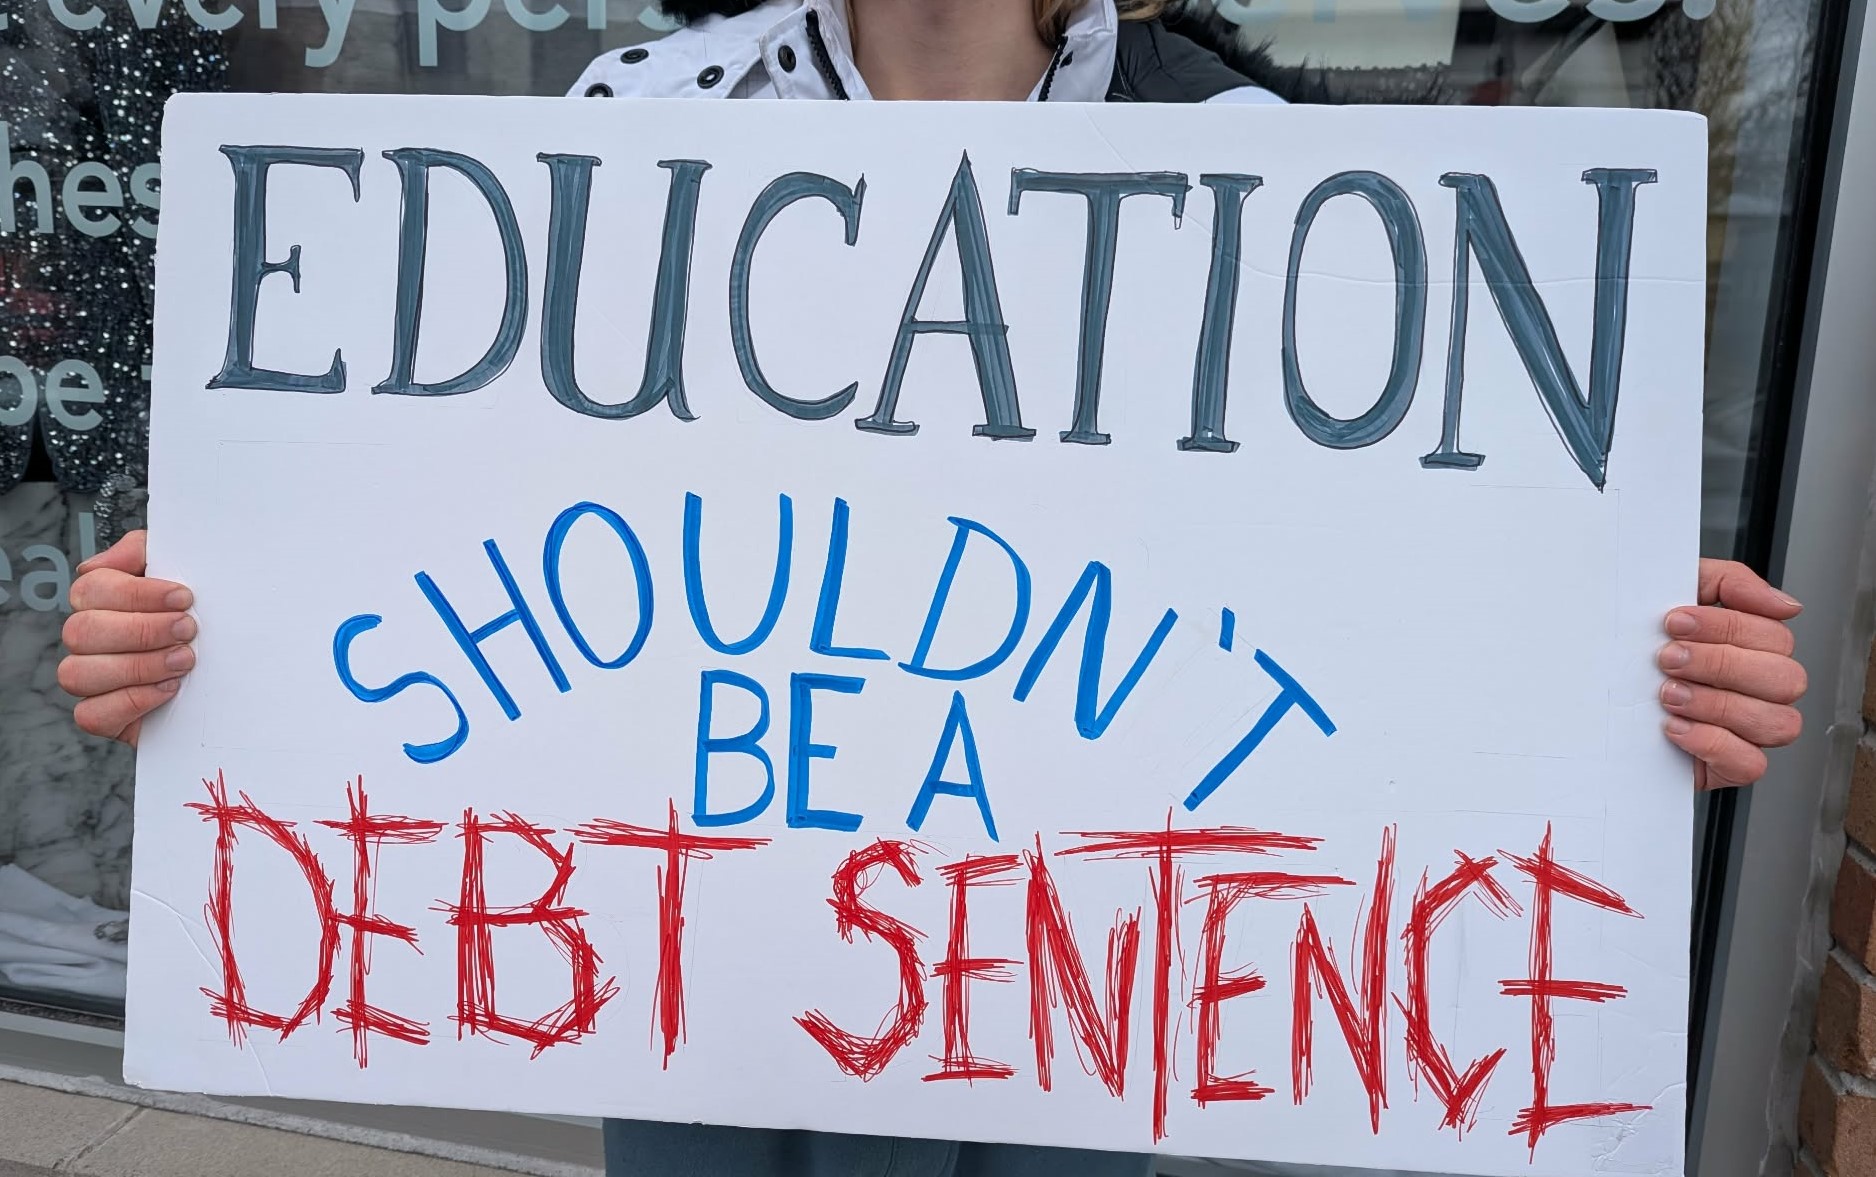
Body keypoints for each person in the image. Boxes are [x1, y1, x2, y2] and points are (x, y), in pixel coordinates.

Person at [59, 1, 1810, 1175]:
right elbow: (439, 544)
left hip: (1099, 1014)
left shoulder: (1272, 175)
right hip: (717, 985)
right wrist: (204, 646)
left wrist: (1630, 702)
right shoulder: (647, 131)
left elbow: (1405, 624)